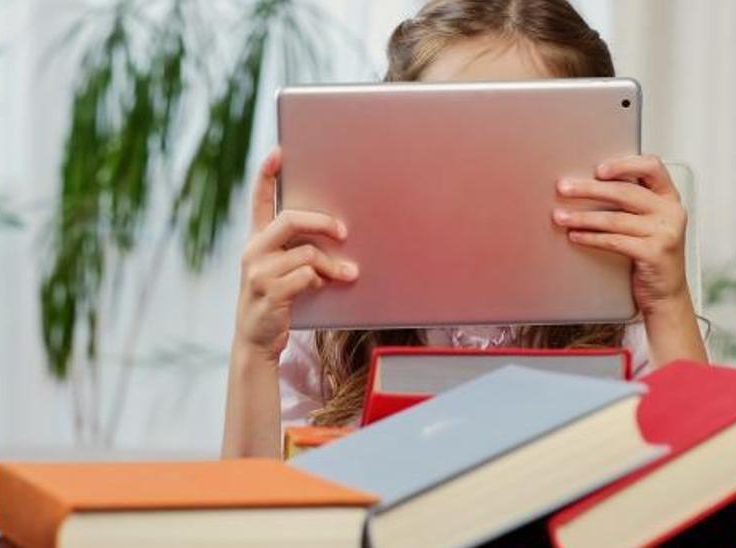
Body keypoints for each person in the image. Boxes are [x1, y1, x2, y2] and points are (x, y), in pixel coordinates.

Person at [223, 0, 707, 459]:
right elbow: (248, 516)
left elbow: (705, 498)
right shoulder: (332, 315)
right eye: (448, 143)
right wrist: (255, 347)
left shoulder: (622, 316)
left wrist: (669, 302)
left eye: (520, 149)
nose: (479, 184)